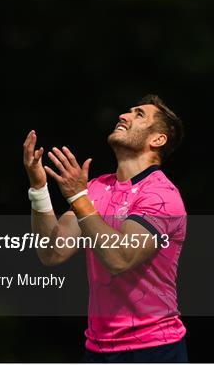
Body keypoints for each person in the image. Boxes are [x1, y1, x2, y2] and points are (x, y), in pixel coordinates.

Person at [23, 94, 187, 363]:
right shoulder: (97, 189)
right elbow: (52, 253)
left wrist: (78, 197)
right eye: (128, 111)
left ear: (157, 140)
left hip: (154, 348)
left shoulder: (162, 195)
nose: (124, 116)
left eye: (139, 114)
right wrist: (39, 189)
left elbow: (119, 258)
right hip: (98, 349)